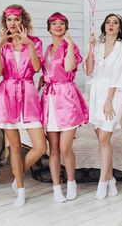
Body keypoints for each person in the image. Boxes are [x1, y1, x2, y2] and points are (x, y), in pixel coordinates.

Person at [0, 4, 47, 207]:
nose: (12, 23)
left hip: (29, 94)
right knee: (14, 146)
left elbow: (37, 67)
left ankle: (17, 174)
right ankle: (21, 189)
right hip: (7, 95)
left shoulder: (35, 42)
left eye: (16, 19)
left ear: (23, 21)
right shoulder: (1, 45)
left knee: (40, 146)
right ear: (5, 22)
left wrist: (29, 44)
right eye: (9, 20)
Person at [40, 12, 88, 202]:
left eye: (62, 23)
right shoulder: (48, 48)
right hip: (50, 101)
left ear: (66, 27)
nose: (58, 26)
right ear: (49, 28)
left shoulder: (71, 47)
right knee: (53, 150)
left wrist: (69, 44)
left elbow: (68, 68)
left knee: (65, 148)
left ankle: (71, 182)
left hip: (67, 98)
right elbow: (46, 72)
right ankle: (56, 188)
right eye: (54, 23)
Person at [85, 13, 122, 199]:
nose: (111, 25)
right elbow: (88, 71)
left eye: (115, 22)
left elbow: (117, 75)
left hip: (113, 95)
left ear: (120, 27)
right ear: (104, 26)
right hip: (96, 93)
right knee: (102, 140)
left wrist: (109, 100)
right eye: (109, 22)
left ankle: (103, 182)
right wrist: (90, 47)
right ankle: (111, 180)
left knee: (104, 138)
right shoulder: (98, 46)